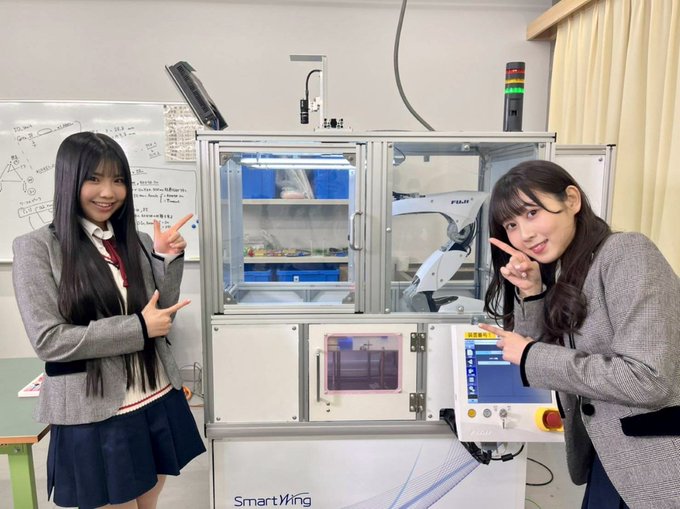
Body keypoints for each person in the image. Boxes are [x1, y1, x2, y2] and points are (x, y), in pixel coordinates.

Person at [12, 132, 206, 509]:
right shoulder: (37, 248)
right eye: (94, 178)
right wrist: (138, 329)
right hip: (96, 410)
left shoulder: (136, 239)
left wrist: (164, 258)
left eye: (118, 180)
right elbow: (49, 339)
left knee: (149, 498)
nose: (108, 192)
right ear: (69, 180)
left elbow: (161, 309)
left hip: (155, 393)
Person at [478, 160, 680, 509]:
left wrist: (530, 355)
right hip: (610, 458)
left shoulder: (627, 253)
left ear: (571, 200)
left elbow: (647, 379)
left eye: (531, 213)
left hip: (658, 461)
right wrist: (532, 292)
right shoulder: (568, 270)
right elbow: (543, 366)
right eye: (511, 224)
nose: (524, 234)